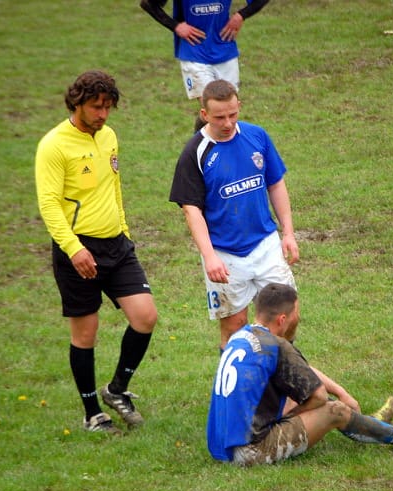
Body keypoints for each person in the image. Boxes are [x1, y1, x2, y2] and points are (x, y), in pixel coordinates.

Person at [35, 70, 158, 434]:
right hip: (78, 250)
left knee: (145, 316)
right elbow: (49, 205)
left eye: (108, 107)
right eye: (95, 106)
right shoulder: (54, 145)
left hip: (117, 245)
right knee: (85, 334)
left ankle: (116, 390)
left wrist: (124, 230)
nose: (103, 114)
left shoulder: (109, 137)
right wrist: (74, 250)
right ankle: (93, 414)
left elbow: (114, 188)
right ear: (77, 103)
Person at [207, 283, 393, 466]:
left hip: (221, 445)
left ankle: (371, 425)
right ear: (283, 319)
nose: (298, 317)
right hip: (249, 452)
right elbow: (319, 397)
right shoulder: (278, 346)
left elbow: (303, 372)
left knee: (306, 396)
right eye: (296, 313)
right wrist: (293, 416)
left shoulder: (241, 335)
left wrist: (342, 391)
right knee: (334, 410)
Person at [169, 79, 299, 351]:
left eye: (232, 114)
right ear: (204, 114)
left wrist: (287, 233)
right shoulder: (195, 153)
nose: (227, 123)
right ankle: (236, 390)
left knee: (288, 316)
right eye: (219, 117)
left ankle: (280, 386)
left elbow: (275, 183)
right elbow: (191, 211)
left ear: (239, 106)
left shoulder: (257, 136)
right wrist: (210, 257)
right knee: (234, 327)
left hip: (265, 244)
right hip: (225, 255)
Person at [140, 0, 269, 131]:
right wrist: (176, 26)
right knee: (211, 108)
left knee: (227, 109)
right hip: (194, 52)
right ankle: (198, 149)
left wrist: (241, 15)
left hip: (225, 49)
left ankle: (218, 147)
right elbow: (148, 4)